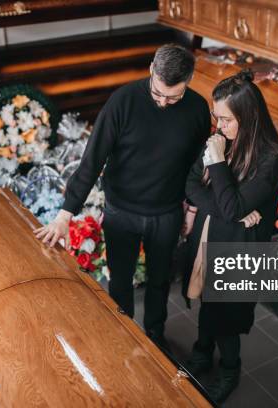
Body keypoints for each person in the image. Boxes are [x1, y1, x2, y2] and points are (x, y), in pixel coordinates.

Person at [34, 44, 211, 348]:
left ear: (189, 81)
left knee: (159, 281)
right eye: (158, 94)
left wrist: (191, 208)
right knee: (120, 280)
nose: (164, 103)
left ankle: (155, 334)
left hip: (167, 212)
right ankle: (121, 333)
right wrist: (65, 215)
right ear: (151, 71)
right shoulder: (123, 101)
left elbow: (198, 165)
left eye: (173, 96)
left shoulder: (196, 108)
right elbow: (92, 161)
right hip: (121, 211)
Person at [182, 69, 278, 403]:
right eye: (217, 118)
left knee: (226, 318)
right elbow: (189, 185)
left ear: (249, 117)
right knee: (205, 302)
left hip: (238, 251)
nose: (219, 128)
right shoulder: (222, 139)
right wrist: (235, 210)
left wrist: (216, 163)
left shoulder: (270, 160)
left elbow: (227, 203)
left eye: (226, 120)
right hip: (208, 239)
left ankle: (230, 368)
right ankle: (201, 353)